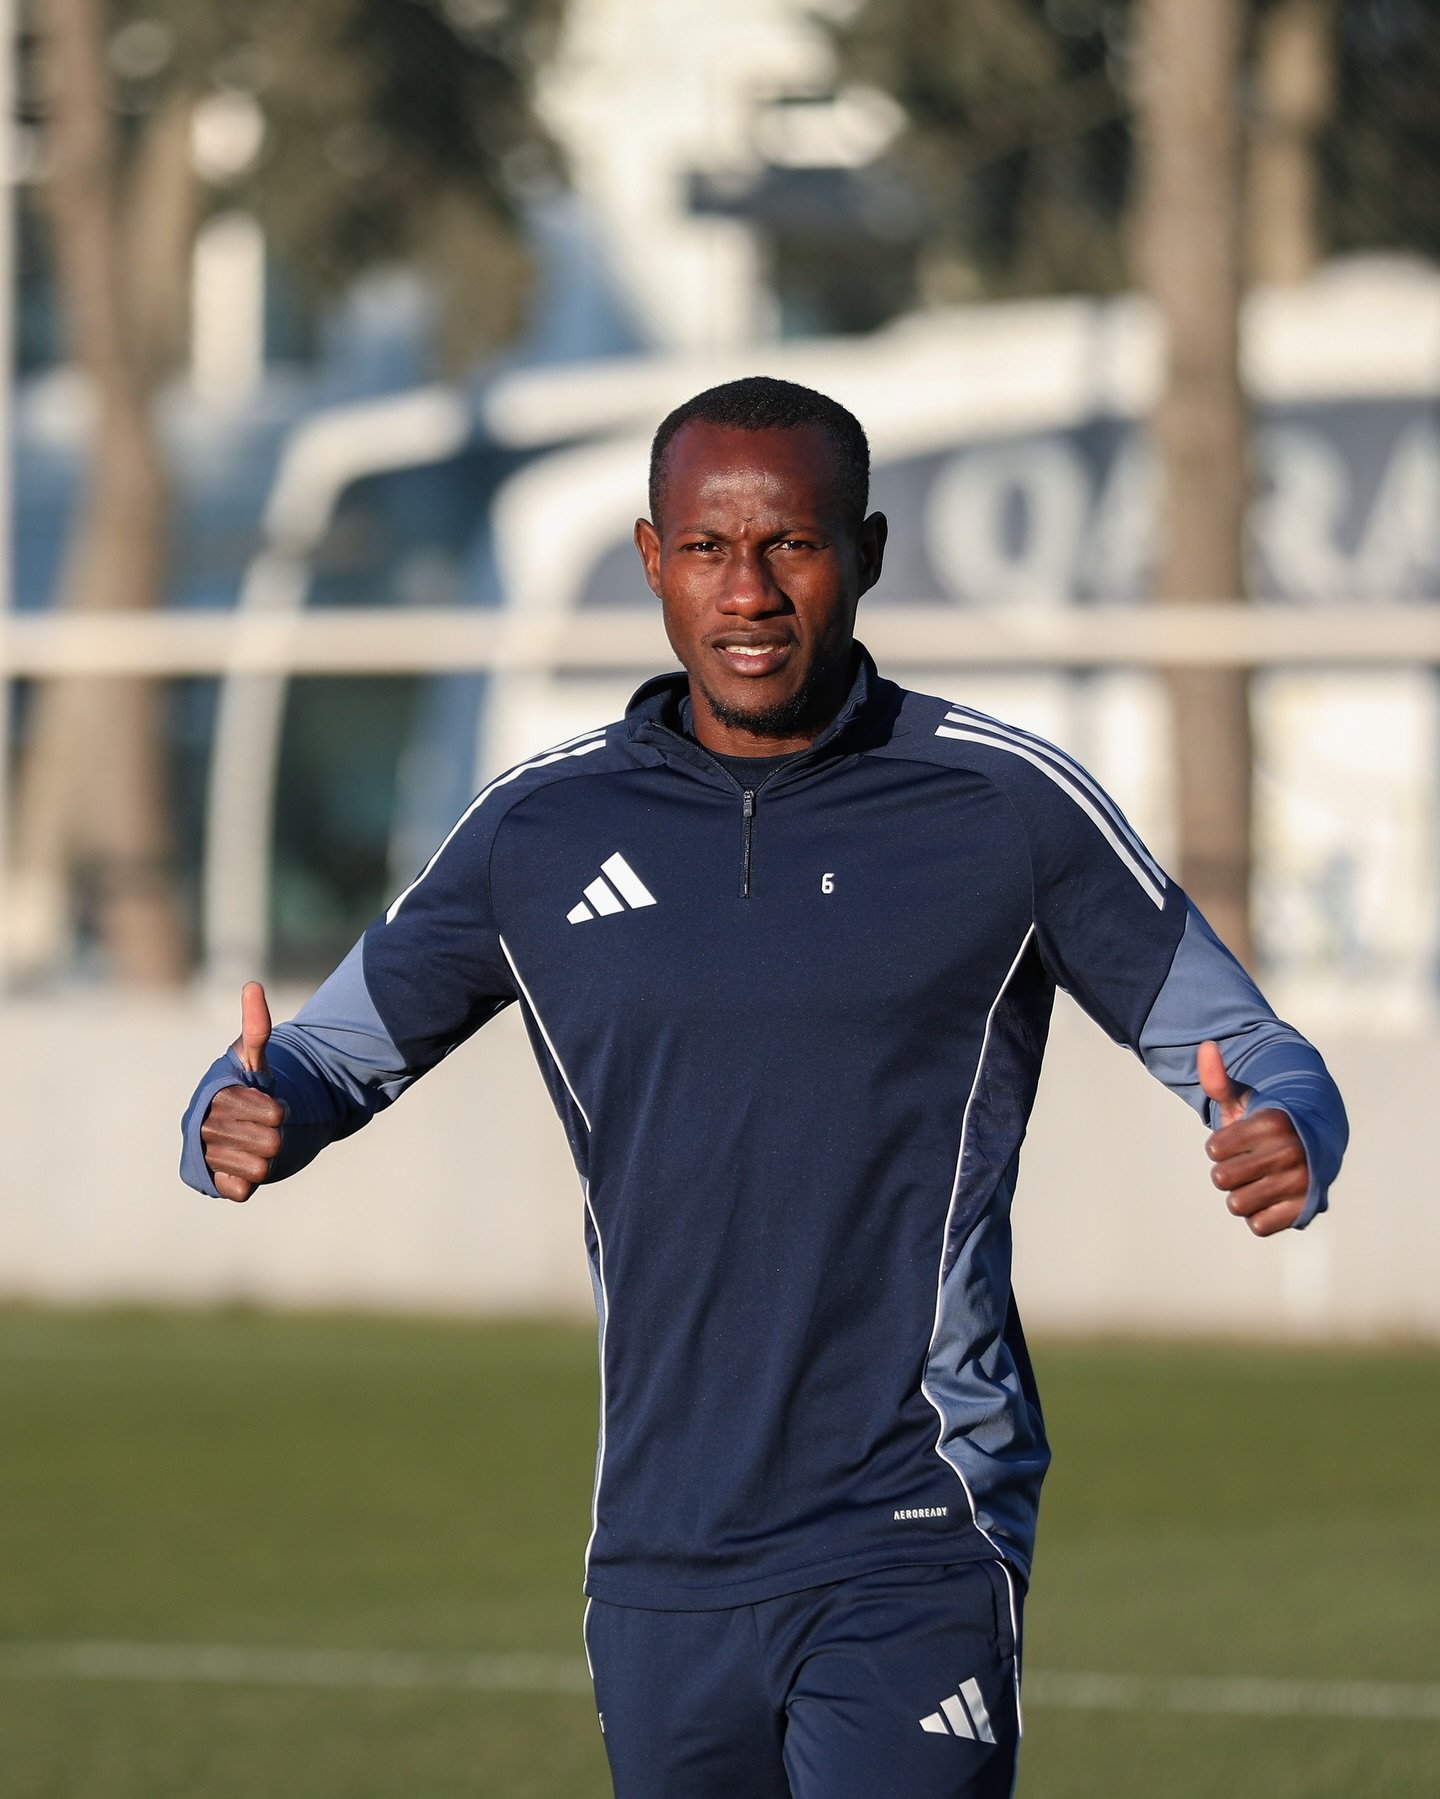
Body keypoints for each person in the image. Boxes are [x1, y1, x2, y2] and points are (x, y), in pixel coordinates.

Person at [181, 376, 1347, 1798]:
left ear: (866, 551)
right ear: (650, 558)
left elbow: (1253, 1047)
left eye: (791, 544)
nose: (749, 593)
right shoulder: (538, 828)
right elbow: (324, 1054)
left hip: (914, 1520)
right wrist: (245, 1110)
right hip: (656, 1553)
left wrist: (1284, 1128)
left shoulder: (1003, 806)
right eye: (707, 548)